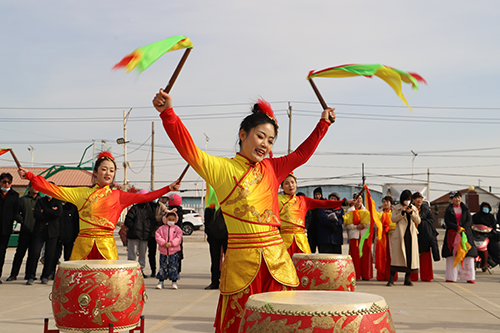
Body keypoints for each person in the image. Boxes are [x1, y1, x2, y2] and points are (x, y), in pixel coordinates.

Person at [153, 88, 335, 333]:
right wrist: (168, 114)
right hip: (241, 262)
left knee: (280, 323)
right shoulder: (222, 169)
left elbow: (302, 154)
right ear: (243, 134)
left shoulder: (273, 167)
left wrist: (323, 124)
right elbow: (189, 150)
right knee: (241, 323)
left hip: (276, 260)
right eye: (261, 136)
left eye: (271, 141)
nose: (266, 144)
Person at [18, 152, 181, 260]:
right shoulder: (81, 193)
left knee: (108, 286)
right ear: (95, 172)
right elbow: (52, 189)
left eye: (111, 170)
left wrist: (168, 188)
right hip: (82, 244)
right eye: (104, 169)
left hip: (106, 245)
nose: (108, 173)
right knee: (79, 284)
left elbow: (145, 197)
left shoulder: (119, 196)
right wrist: (30, 176)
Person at [279, 177, 349, 255]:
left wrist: (343, 203)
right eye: (286, 183)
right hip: (284, 240)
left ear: (296, 184)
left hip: (301, 241)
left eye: (292, 182)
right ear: (282, 187)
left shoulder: (303, 200)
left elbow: (324, 203)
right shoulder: (277, 199)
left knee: (304, 265)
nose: (290, 185)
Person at [25, 189, 62, 285]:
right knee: (35, 253)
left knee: (50, 255)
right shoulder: (40, 201)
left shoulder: (57, 202)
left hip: (52, 232)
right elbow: (36, 214)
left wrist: (44, 211)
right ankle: (31, 276)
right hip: (39, 232)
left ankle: (45, 276)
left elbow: (58, 214)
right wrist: (51, 212)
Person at [7, 182, 41, 281]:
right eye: (33, 186)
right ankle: (13, 274)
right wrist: (22, 220)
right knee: (19, 254)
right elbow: (15, 213)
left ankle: (30, 275)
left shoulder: (41, 201)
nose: (35, 188)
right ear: (29, 187)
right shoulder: (22, 200)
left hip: (37, 233)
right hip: (25, 231)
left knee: (34, 255)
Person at [442, 191, 477, 283]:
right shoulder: (448, 210)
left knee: (467, 256)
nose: (457, 199)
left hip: (465, 234)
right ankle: (451, 277)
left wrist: (463, 229)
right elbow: (448, 222)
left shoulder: (465, 209)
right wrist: (457, 228)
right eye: (455, 198)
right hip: (452, 234)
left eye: (459, 197)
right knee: (451, 256)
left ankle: (469, 277)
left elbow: (469, 220)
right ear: (451, 199)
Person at [387, 190, 421, 286]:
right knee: (396, 257)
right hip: (400, 234)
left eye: (409, 199)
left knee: (410, 256)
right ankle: (391, 279)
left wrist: (411, 213)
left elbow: (418, 221)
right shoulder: (396, 208)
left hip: (410, 234)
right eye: (406, 199)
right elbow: (393, 219)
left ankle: (407, 279)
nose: (407, 201)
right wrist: (402, 213)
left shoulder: (413, 208)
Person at [125, 189, 156, 277]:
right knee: (132, 254)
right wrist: (134, 229)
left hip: (145, 235)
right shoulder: (134, 208)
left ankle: (140, 271)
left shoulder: (149, 209)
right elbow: (128, 220)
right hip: (134, 235)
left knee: (142, 254)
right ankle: (131, 270)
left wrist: (148, 230)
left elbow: (153, 221)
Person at [410, 192, 439, 282]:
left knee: (425, 258)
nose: (419, 200)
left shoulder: (427, 211)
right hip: (412, 236)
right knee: (412, 258)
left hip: (424, 237)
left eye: (421, 198)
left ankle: (426, 276)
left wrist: (420, 222)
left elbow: (431, 221)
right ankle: (412, 276)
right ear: (413, 200)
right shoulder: (409, 209)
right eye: (417, 198)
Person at [344, 194, 372, 280]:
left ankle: (366, 275)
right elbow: (347, 225)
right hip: (354, 236)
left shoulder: (366, 210)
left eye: (360, 198)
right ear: (354, 200)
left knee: (365, 256)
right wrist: (356, 227)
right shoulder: (350, 210)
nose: (359, 200)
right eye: (357, 199)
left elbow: (370, 223)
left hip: (364, 236)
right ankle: (355, 275)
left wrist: (364, 225)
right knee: (355, 256)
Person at [0, 172, 21, 283]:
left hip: (5, 229)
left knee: (1, 253)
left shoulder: (15, 195)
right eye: (4, 182)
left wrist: (23, 220)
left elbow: (16, 212)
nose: (6, 184)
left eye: (8, 182)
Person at [155, 210, 182, 290]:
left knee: (173, 266)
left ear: (175, 220)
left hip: (173, 251)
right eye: (169, 219)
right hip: (163, 251)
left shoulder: (177, 229)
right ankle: (161, 281)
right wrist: (163, 243)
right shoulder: (161, 229)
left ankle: (174, 282)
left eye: (173, 220)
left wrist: (171, 244)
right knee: (162, 266)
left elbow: (178, 238)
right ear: (165, 219)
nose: (171, 221)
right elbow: (158, 236)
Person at [204, 207, 228, 290]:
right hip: (213, 237)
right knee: (215, 260)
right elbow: (206, 222)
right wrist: (209, 234)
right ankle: (214, 282)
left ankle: (228, 282)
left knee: (229, 260)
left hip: (227, 237)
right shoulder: (210, 207)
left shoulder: (227, 206)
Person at [473, 202, 500, 271]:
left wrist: (492, 231)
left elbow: (494, 226)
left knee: (495, 247)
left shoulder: (491, 217)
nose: (485, 209)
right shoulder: (476, 216)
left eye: (487, 207)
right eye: (484, 207)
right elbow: (471, 224)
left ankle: (491, 261)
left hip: (489, 235)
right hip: (477, 235)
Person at [375, 196, 397, 281]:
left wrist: (389, 228)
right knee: (381, 255)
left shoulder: (394, 212)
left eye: (387, 202)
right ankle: (381, 275)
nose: (385, 203)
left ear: (391, 203)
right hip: (381, 236)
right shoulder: (378, 212)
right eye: (384, 201)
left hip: (391, 236)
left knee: (391, 256)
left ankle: (391, 276)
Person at [148, 198, 168, 277]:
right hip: (150, 233)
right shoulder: (147, 207)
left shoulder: (161, 206)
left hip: (161, 233)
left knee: (163, 252)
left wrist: (155, 218)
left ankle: (163, 270)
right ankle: (153, 270)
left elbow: (165, 216)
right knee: (151, 253)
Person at [167, 193, 184, 272]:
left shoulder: (173, 211)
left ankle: (170, 269)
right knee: (178, 251)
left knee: (170, 252)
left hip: (171, 234)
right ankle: (177, 269)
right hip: (178, 235)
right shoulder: (180, 210)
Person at [305, 187, 324, 253]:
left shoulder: (323, 203)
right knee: (311, 249)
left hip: (321, 230)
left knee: (321, 250)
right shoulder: (312, 203)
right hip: (312, 229)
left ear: (321, 195)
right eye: (316, 195)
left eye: (319, 194)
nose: (317, 196)